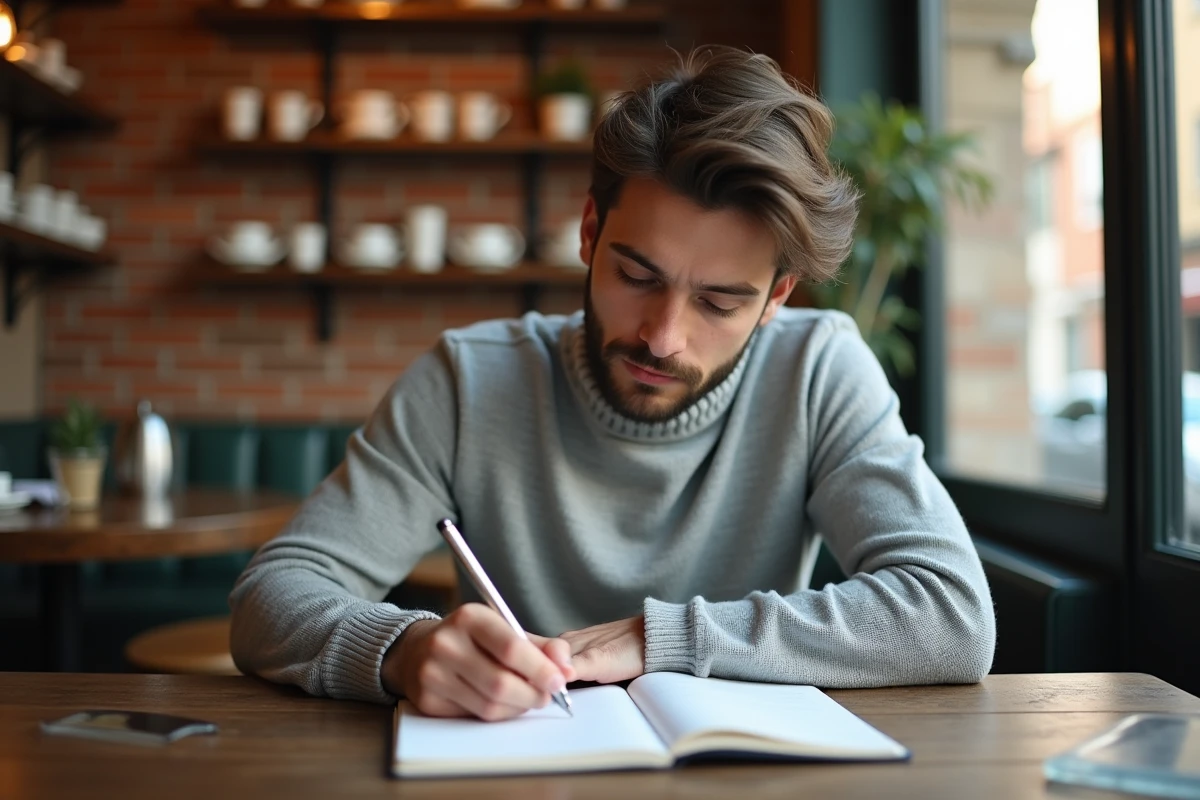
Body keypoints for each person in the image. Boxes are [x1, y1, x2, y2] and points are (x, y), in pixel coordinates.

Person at [229, 45, 995, 721]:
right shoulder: (469, 380)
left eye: (720, 302)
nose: (664, 337)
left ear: (778, 297)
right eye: (637, 274)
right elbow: (273, 597)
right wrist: (403, 651)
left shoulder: (819, 370)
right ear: (590, 232)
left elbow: (951, 614)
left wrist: (656, 638)